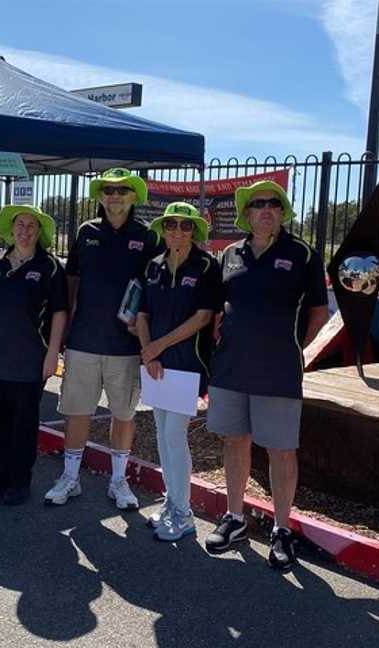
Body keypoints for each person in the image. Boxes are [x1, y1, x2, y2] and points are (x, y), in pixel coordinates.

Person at [204, 180, 329, 571]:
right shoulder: (229, 255)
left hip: (278, 372)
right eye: (257, 204)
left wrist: (292, 347)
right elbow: (218, 305)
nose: (265, 209)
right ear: (246, 213)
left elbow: (319, 313)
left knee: (280, 450)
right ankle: (235, 518)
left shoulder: (303, 254)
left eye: (273, 204)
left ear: (283, 212)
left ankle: (280, 529)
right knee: (234, 442)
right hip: (231, 368)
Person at [45, 168, 162, 510]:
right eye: (109, 190)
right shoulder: (85, 231)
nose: (115, 195)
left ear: (133, 196)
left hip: (125, 347)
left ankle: (118, 480)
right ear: (101, 196)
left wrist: (142, 332)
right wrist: (65, 333)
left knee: (123, 415)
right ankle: (70, 478)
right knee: (77, 412)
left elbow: (152, 290)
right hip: (83, 341)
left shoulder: (148, 235)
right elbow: (72, 282)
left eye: (122, 190)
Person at [136, 202, 222, 541]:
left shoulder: (205, 266)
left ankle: (184, 513)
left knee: (175, 435)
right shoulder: (153, 266)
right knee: (161, 433)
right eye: (171, 224)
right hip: (155, 362)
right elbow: (142, 313)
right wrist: (148, 351)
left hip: (187, 363)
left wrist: (158, 347)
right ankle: (172, 503)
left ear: (194, 231)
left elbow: (202, 317)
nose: (177, 231)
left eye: (184, 226)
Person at [0, 206, 68, 506]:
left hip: (31, 359)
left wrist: (52, 353)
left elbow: (59, 313)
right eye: (20, 224)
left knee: (23, 423)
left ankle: (19, 480)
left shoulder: (50, 266)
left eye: (32, 226)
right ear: (11, 229)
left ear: (40, 232)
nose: (25, 230)